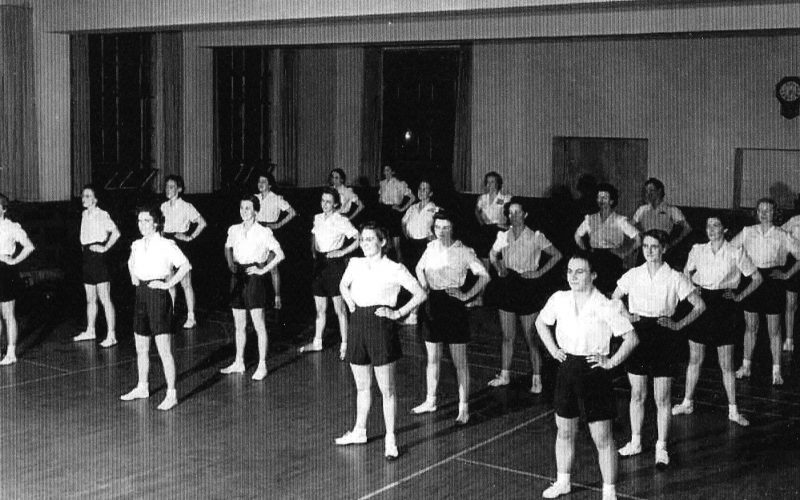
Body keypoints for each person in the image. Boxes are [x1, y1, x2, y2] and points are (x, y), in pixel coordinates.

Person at [536, 252, 639, 500]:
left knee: (602, 437)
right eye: (570, 271)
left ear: (593, 275)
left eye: (580, 271)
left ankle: (609, 492)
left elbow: (631, 338)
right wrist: (553, 350)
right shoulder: (559, 298)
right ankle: (563, 482)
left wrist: (611, 362)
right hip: (566, 368)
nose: (573, 276)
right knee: (564, 431)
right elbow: (541, 322)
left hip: (594, 371)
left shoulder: (605, 304)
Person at [613, 229, 705, 468]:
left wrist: (677, 325)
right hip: (638, 335)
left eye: (654, 247)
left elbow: (699, 305)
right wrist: (627, 317)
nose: (649, 251)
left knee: (662, 397)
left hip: (664, 336)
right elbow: (614, 298)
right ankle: (635, 442)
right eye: (645, 246)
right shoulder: (633, 274)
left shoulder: (675, 277)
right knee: (637, 394)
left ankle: (661, 446)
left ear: (664, 248)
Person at [336, 223, 427, 460]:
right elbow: (343, 286)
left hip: (380, 327)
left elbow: (420, 293)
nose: (365, 244)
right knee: (362, 387)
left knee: (387, 390)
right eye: (362, 240)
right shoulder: (355, 264)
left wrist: (397, 314)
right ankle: (359, 431)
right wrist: (351, 303)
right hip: (358, 325)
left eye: (369, 239)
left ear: (382, 242)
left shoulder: (394, 268)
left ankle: (390, 439)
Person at [672, 215, 761, 426]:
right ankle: (687, 402)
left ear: (726, 229)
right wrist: (693, 288)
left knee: (727, 364)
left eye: (716, 225)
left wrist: (739, 296)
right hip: (702, 305)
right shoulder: (697, 249)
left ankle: (733, 410)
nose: (711, 229)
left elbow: (757, 278)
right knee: (695, 359)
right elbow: (686, 272)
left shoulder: (735, 252)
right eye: (708, 225)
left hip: (724, 307)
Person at [411, 211, 490, 424]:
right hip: (432, 305)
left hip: (454, 306)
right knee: (432, 358)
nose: (441, 232)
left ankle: (463, 408)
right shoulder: (430, 248)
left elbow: (485, 276)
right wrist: (425, 285)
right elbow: (419, 268)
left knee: (459, 362)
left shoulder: (464, 251)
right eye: (438, 228)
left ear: (452, 228)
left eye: (446, 227)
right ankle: (431, 400)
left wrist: (465, 295)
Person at [487, 198, 563, 393]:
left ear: (525, 214)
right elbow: (492, 255)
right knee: (507, 336)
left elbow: (557, 255)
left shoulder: (536, 236)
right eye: (510, 213)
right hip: (508, 285)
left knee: (531, 337)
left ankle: (537, 379)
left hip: (527, 287)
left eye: (518, 212)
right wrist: (499, 268)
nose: (514, 216)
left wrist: (537, 273)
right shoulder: (503, 235)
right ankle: (504, 375)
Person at [120, 205, 191, 411]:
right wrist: (135, 277)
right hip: (141, 294)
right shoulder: (136, 244)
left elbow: (185, 265)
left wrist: (167, 284)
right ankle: (142, 386)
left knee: (164, 350)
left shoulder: (167, 244)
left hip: (158, 295)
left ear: (156, 223)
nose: (142, 225)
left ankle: (171, 393)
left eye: (147, 221)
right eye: (140, 221)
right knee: (141, 348)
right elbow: (131, 263)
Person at [731, 198, 800, 385]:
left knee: (774, 330)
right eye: (760, 210)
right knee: (750, 327)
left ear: (775, 213)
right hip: (752, 279)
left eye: (768, 210)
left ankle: (776, 370)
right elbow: (729, 250)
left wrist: (786, 275)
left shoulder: (782, 234)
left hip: (772, 283)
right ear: (756, 212)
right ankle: (746, 366)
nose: (763, 214)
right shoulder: (747, 231)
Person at [220, 195, 285, 381]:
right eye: (242, 208)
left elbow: (280, 254)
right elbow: (228, 247)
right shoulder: (233, 229)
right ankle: (239, 361)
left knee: (258, 325)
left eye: (248, 208)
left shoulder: (264, 232)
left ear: (256, 211)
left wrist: (263, 269)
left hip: (254, 278)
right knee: (239, 324)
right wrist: (231, 263)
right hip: (238, 277)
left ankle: (262, 364)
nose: (244, 211)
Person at [300, 187, 360, 358]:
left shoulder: (341, 220)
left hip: (334, 265)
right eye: (322, 201)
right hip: (319, 265)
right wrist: (314, 252)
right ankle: (317, 342)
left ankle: (345, 346)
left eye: (328, 201)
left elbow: (358, 238)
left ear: (335, 204)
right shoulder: (317, 218)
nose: (324, 204)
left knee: (339, 309)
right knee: (320, 309)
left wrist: (342, 252)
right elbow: (314, 236)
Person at [73, 185, 121, 347]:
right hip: (87, 258)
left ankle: (112, 335)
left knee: (105, 298)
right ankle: (90, 330)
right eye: (83, 196)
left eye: (87, 196)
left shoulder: (102, 215)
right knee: (90, 299)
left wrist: (105, 247)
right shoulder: (84, 214)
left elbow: (116, 233)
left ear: (95, 199)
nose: (83, 199)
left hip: (99, 259)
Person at [574, 183, 641, 295]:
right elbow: (577, 236)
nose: (601, 200)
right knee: (593, 292)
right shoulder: (590, 218)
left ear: (611, 201)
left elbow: (638, 239)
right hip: (594, 257)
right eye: (599, 197)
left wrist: (624, 253)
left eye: (604, 198)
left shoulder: (620, 220)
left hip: (612, 259)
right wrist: (586, 251)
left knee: (611, 292)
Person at [160, 175, 207, 328]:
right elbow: (160, 227)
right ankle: (170, 314)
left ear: (179, 189)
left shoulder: (187, 206)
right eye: (167, 186)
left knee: (185, 283)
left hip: (181, 244)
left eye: (172, 186)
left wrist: (190, 237)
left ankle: (191, 317)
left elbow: (202, 223)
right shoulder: (163, 207)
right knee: (169, 282)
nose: (168, 189)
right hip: (166, 244)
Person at [0, 194, 35, 365]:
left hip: (5, 271)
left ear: (4, 209)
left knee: (8, 313)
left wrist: (13, 260)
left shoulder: (12, 227)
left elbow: (29, 246)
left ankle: (11, 352)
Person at [255, 171, 296, 310]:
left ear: (270, 184)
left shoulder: (277, 198)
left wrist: (278, 224)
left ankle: (277, 297)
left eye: (264, 182)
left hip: (269, 232)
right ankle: (258, 297)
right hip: (256, 232)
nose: (261, 184)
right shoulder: (254, 198)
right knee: (258, 266)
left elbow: (292, 212)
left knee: (273, 266)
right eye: (259, 181)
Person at [632, 178, 691, 257]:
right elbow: (629, 226)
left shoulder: (671, 209)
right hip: (646, 245)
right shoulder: (642, 209)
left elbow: (687, 228)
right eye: (646, 191)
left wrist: (673, 243)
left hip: (662, 247)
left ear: (659, 191)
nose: (648, 193)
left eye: (651, 190)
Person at [376, 165, 416, 261]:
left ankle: (400, 260)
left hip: (394, 211)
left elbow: (413, 198)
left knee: (395, 236)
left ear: (393, 172)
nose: (386, 172)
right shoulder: (382, 183)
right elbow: (380, 198)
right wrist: (381, 202)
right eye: (384, 170)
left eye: (388, 170)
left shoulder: (400, 184)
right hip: (384, 210)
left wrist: (402, 209)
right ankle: (384, 258)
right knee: (384, 235)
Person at [400, 179, 439, 273]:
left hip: (425, 244)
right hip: (411, 244)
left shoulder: (435, 209)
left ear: (430, 193)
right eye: (420, 189)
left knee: (423, 272)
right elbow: (403, 222)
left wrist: (434, 237)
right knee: (410, 270)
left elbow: (441, 226)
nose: (421, 191)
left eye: (425, 189)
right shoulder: (412, 207)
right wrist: (407, 235)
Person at [474, 171, 512, 265]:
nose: (490, 184)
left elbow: (509, 213)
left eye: (492, 182)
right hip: (485, 228)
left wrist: (508, 225)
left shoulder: (505, 198)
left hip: (499, 228)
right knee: (484, 240)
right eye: (488, 182)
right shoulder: (482, 198)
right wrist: (482, 224)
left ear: (498, 183)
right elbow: (476, 211)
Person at [780, 212, 800, 352]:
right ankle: (789, 339)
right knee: (791, 304)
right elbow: (779, 235)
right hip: (795, 265)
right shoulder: (795, 220)